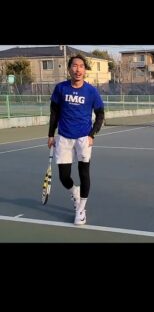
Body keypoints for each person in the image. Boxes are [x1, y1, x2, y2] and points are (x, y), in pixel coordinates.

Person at [48, 54, 104, 225]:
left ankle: (81, 209)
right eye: (74, 66)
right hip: (64, 137)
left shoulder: (91, 91)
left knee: (84, 173)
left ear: (84, 70)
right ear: (69, 69)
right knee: (64, 177)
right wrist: (50, 134)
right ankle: (75, 192)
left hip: (83, 138)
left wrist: (92, 134)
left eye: (81, 66)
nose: (78, 69)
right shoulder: (60, 88)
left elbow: (100, 114)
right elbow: (54, 113)